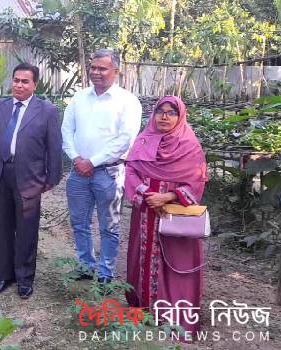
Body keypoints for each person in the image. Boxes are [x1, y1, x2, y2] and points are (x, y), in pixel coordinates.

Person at [0, 63, 63, 299]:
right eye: (16, 80)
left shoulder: (46, 111)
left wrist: (52, 178)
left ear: (34, 84)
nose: (19, 85)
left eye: (25, 81)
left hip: (29, 178)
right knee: (2, 227)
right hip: (0, 175)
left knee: (26, 230)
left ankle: (24, 278)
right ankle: (5, 275)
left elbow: (54, 147)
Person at [124, 95, 207, 334]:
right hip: (145, 214)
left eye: (171, 112)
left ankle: (173, 315)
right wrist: (147, 194)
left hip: (175, 215)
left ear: (180, 117)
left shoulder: (189, 145)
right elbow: (131, 170)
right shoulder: (142, 140)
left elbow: (196, 180)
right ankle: (143, 308)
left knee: (175, 263)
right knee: (143, 257)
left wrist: (168, 197)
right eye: (160, 111)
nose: (164, 116)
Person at [61, 49, 142, 284]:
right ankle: (86, 266)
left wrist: (92, 162)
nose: (95, 72)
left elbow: (125, 139)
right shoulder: (79, 98)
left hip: (110, 173)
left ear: (115, 72)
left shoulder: (127, 101)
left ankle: (106, 273)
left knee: (109, 226)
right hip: (78, 172)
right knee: (79, 223)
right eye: (93, 67)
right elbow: (66, 130)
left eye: (102, 68)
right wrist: (77, 158)